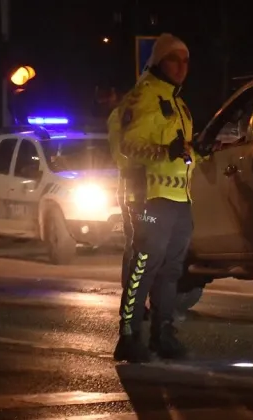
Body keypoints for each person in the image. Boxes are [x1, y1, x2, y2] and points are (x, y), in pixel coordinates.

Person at [111, 33, 207, 363]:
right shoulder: (143, 97)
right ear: (158, 61)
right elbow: (128, 147)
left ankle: (163, 333)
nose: (182, 67)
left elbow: (183, 155)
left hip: (179, 199)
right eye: (174, 59)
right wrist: (166, 151)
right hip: (148, 197)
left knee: (171, 269)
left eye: (186, 61)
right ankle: (128, 335)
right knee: (144, 265)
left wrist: (200, 153)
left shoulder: (179, 103)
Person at [107, 95, 150, 322]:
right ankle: (131, 305)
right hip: (133, 188)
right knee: (136, 244)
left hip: (146, 187)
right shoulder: (123, 116)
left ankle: (137, 302)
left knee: (145, 244)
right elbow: (122, 154)